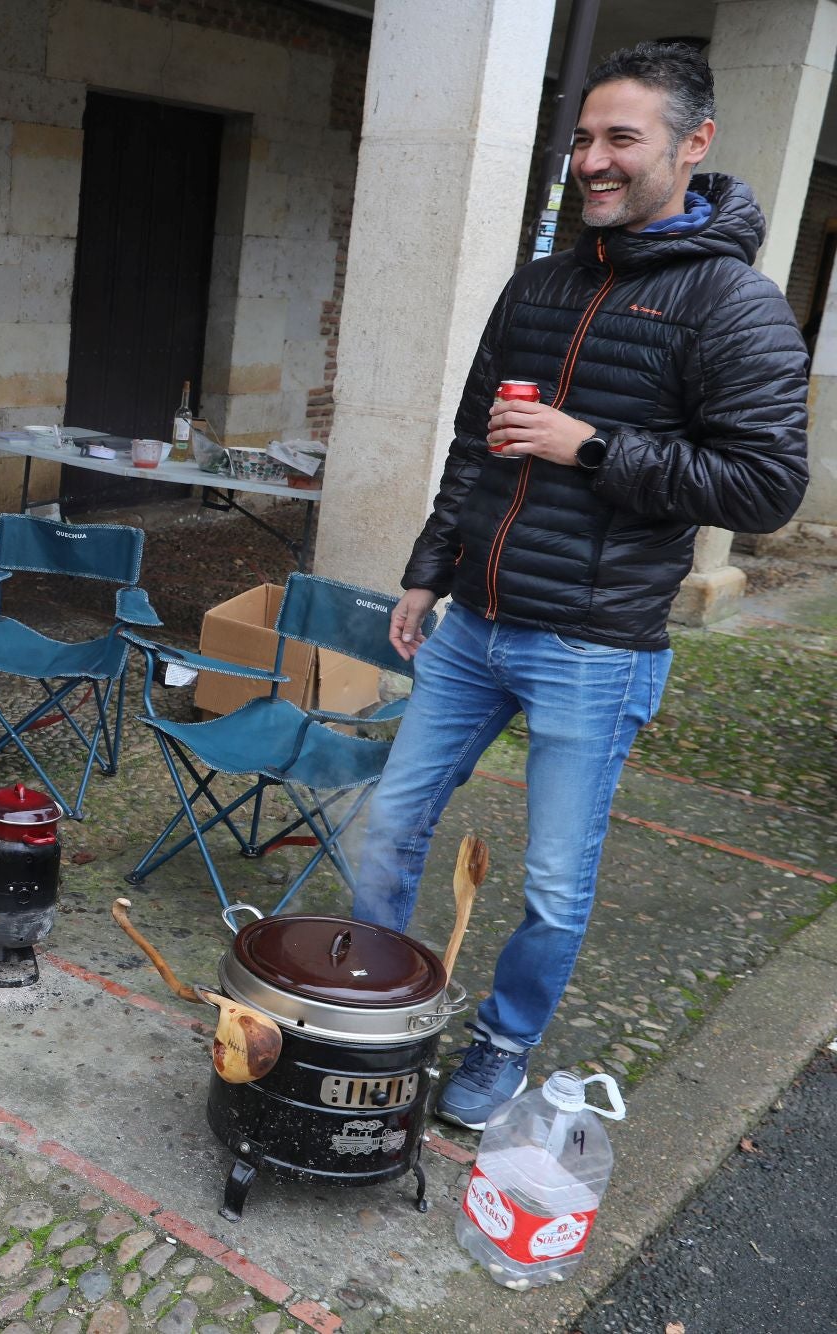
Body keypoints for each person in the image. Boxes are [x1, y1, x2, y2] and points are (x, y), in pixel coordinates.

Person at [349, 41, 809, 1130]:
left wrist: (591, 445)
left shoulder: (732, 305)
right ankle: (379, 1002)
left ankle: (502, 1042)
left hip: (594, 649)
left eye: (621, 139)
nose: (592, 160)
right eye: (584, 137)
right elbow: (476, 444)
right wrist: (427, 573)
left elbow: (765, 486)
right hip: (475, 626)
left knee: (555, 882)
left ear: (693, 145)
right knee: (386, 825)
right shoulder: (543, 282)